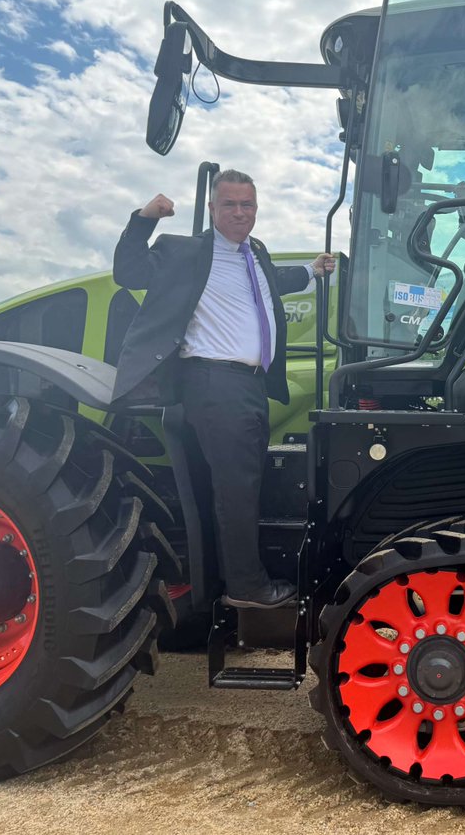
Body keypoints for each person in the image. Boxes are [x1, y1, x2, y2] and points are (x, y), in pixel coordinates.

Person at [111, 168, 335, 608]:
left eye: (246, 204)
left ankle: (229, 580)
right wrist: (145, 217)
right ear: (213, 209)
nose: (239, 212)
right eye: (229, 204)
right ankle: (247, 589)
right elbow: (129, 271)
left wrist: (314, 270)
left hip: (249, 387)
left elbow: (275, 284)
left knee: (243, 485)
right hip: (214, 382)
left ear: (256, 209)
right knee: (237, 489)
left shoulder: (256, 254)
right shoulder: (187, 252)